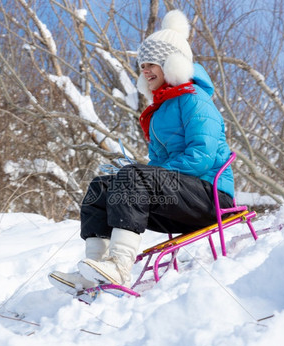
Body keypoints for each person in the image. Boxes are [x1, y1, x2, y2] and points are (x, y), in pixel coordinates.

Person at [48, 9, 234, 296]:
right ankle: (93, 268)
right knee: (101, 187)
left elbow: (202, 157)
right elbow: (157, 169)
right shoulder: (161, 110)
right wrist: (143, 178)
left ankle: (120, 266)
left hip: (210, 197)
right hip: (183, 196)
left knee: (133, 175)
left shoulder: (196, 102)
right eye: (142, 65)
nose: (145, 70)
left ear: (172, 64)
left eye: (152, 64)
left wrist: (148, 176)